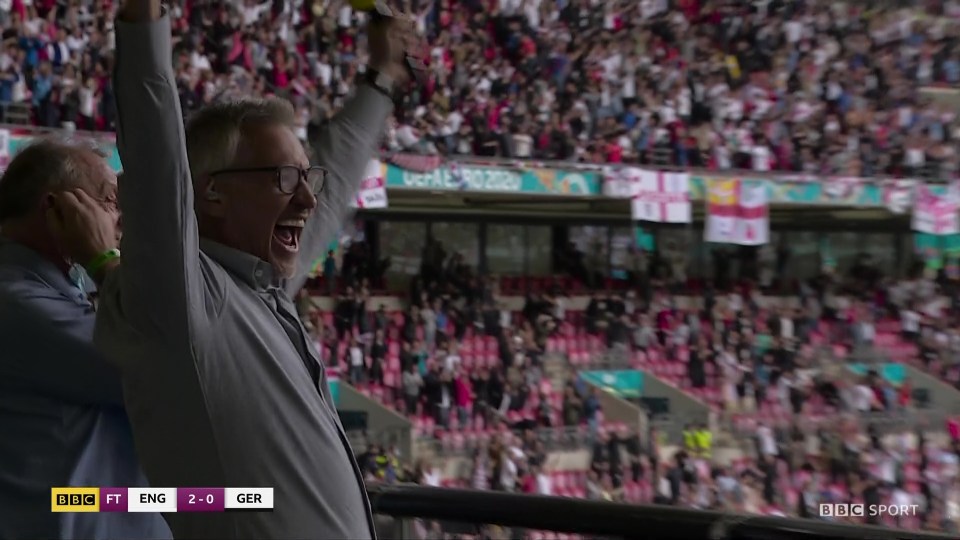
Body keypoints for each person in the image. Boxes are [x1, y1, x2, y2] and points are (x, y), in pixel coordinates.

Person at [52, 0, 420, 537]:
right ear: (213, 193)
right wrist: (143, 23)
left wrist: (381, 76)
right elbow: (156, 157)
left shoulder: (261, 286)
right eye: (285, 179)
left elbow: (336, 178)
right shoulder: (189, 301)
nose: (308, 202)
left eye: (305, 180)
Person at [0, 140, 170, 539]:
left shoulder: (46, 291)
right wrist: (103, 258)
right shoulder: (20, 305)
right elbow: (166, 369)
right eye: (110, 202)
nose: (121, 220)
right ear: (59, 210)